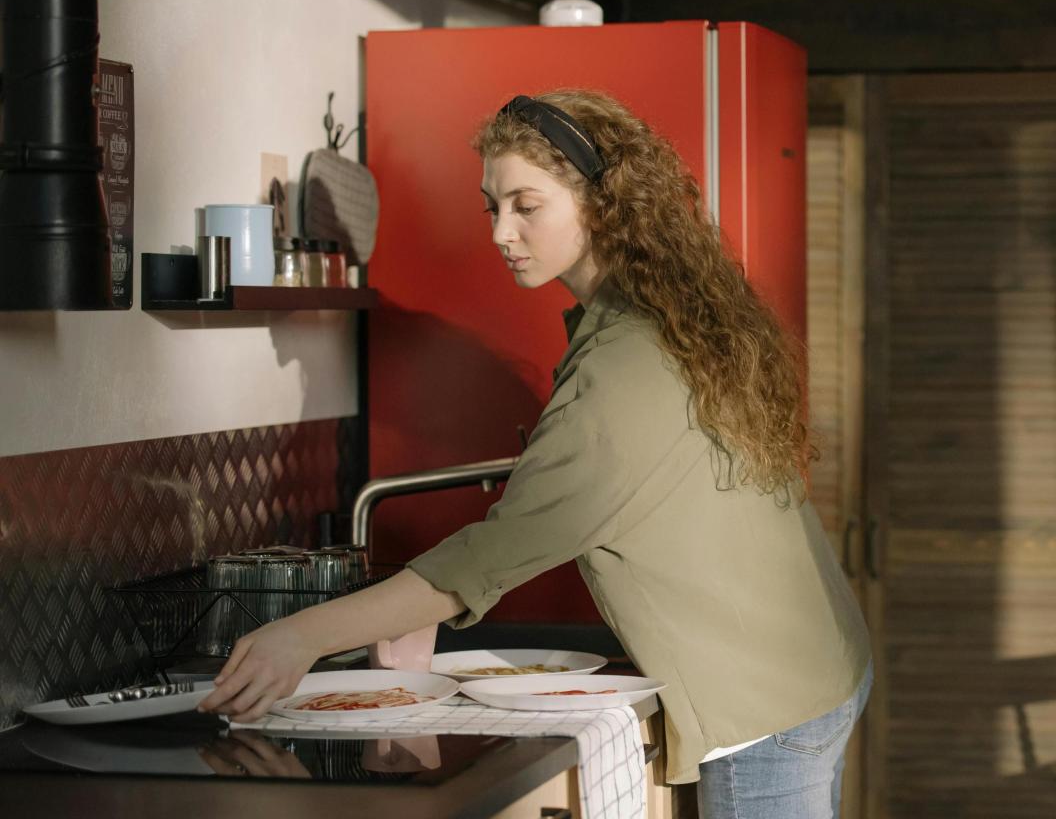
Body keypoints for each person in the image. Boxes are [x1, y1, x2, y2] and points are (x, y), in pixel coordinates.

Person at [198, 89, 872, 818]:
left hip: (762, 701)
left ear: (602, 204)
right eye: (493, 206)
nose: (500, 231)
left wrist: (296, 637)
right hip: (808, 663)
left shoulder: (625, 362)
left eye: (527, 205)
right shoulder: (652, 317)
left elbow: (494, 553)